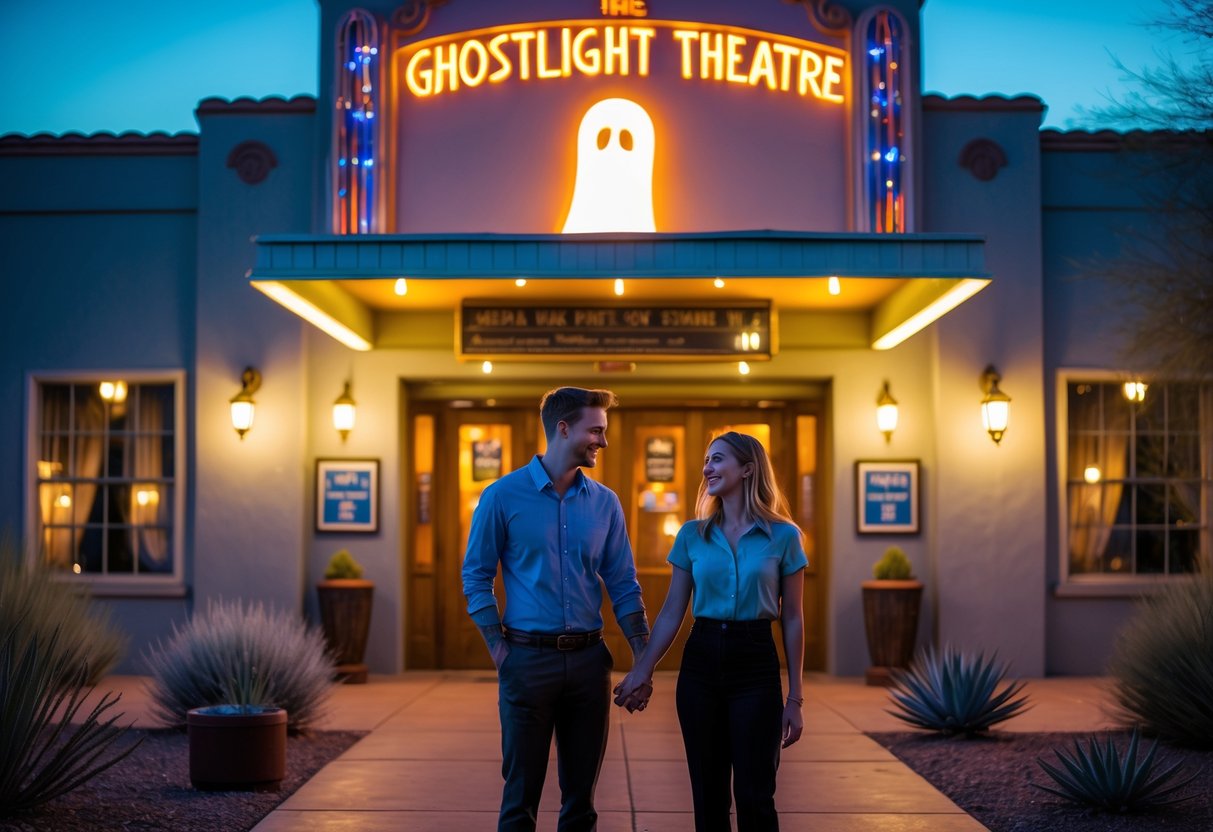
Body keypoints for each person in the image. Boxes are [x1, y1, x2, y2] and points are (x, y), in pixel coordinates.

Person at [462, 386, 651, 832]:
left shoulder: (606, 503)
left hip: (589, 664)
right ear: (563, 429)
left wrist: (642, 660)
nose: (603, 441)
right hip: (526, 661)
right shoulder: (501, 497)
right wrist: (499, 652)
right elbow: (475, 576)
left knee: (581, 803)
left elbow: (624, 583)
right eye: (596, 431)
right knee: (519, 799)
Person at [614, 431, 807, 832]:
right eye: (707, 460)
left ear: (748, 469)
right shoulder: (691, 535)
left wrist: (795, 698)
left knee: (756, 796)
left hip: (755, 662)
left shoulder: (784, 536)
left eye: (717, 460)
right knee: (709, 794)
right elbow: (671, 612)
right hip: (701, 661)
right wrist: (642, 670)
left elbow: (793, 618)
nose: (707, 468)